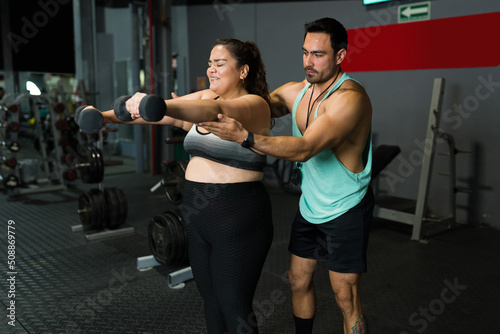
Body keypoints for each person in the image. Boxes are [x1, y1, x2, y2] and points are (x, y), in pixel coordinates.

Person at [81, 38, 274, 333]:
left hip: (237, 216)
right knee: (210, 299)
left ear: (244, 70)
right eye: (209, 63)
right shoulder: (206, 97)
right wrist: (105, 116)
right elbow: (163, 115)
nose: (211, 69)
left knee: (234, 304)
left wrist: (158, 102)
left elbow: (209, 111)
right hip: (198, 217)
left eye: (220, 64)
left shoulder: (254, 104)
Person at [199, 18, 373, 334]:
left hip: (346, 208)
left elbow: (306, 147)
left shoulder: (350, 98)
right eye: (305, 52)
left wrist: (246, 138)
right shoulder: (296, 92)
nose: (308, 61)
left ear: (340, 56)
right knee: (297, 280)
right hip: (311, 207)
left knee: (345, 297)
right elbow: (256, 107)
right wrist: (200, 102)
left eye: (318, 54)